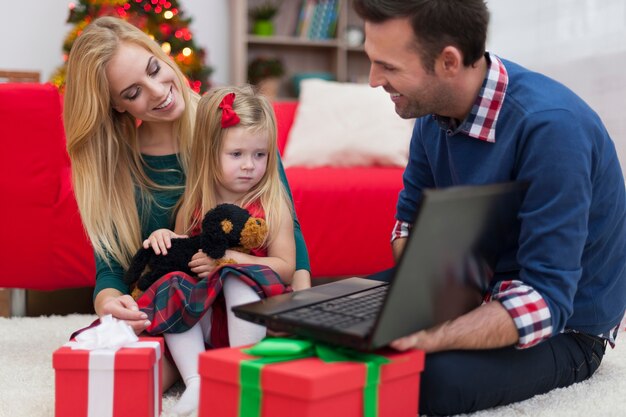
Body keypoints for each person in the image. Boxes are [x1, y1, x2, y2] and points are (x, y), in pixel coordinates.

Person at [352, 0, 626, 415]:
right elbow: (408, 225)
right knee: (324, 321)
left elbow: (547, 299)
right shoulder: (432, 112)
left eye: (388, 67)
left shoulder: (552, 128)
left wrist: (433, 333)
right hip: (468, 285)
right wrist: (423, 298)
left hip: (566, 323)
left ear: (448, 62)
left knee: (426, 379)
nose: (374, 80)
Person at [63, 15, 311, 394]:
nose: (158, 91)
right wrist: (111, 305)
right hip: (174, 304)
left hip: (241, 292)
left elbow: (284, 223)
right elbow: (112, 271)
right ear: (115, 107)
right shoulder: (115, 167)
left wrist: (303, 299)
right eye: (133, 93)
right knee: (126, 383)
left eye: (153, 69)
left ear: (161, 55)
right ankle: (199, 377)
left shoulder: (234, 128)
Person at [136, 85, 299, 415]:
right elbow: (184, 259)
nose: (249, 166)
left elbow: (286, 267)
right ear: (210, 153)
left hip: (257, 321)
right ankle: (197, 379)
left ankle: (241, 373)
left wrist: (232, 261)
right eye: (236, 154)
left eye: (260, 154)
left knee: (235, 276)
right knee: (171, 285)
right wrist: (167, 238)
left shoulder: (272, 203)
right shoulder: (194, 205)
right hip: (210, 320)